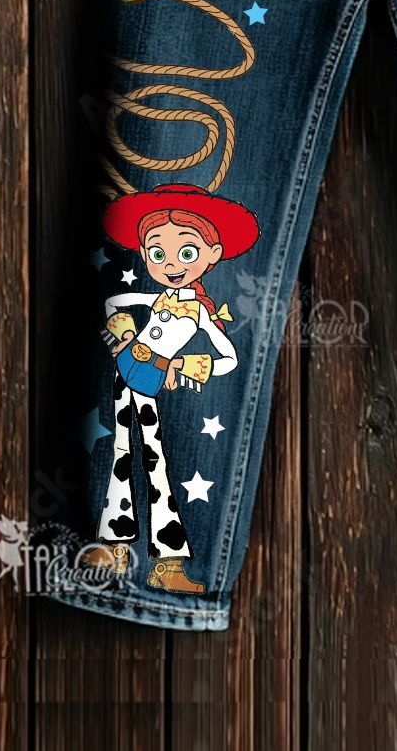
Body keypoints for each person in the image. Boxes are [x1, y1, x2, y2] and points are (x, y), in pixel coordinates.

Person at [86, 183, 258, 593]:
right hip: (126, 373)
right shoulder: (155, 297)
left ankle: (168, 560)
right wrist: (124, 334)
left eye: (187, 252)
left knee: (155, 460)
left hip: (151, 380)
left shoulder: (198, 311)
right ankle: (115, 544)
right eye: (157, 253)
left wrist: (184, 365)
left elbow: (229, 357)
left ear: (212, 255)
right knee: (120, 453)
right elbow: (113, 303)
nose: (170, 264)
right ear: (145, 255)